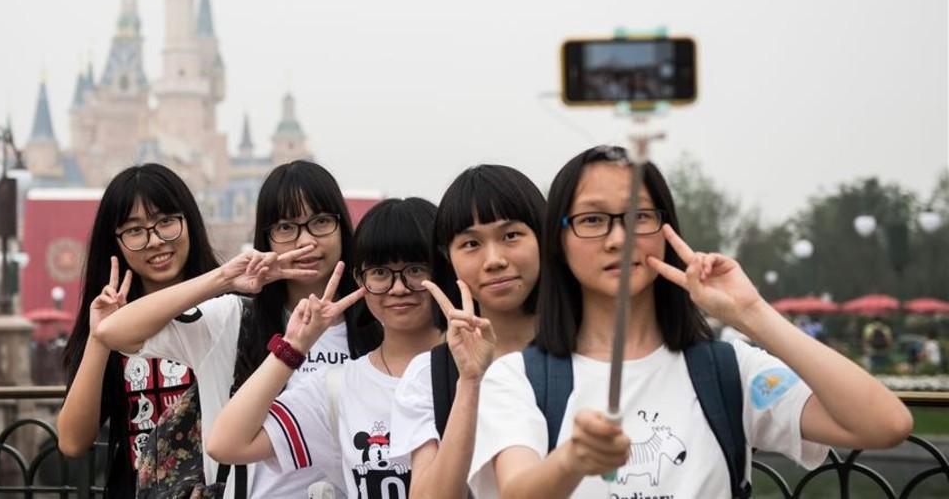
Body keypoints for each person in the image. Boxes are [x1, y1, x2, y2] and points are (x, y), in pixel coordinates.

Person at [471, 145, 913, 498]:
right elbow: (517, 491)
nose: (618, 239)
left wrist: (752, 313)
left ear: (667, 229)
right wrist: (573, 460)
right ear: (560, 241)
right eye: (592, 220)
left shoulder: (728, 370)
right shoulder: (519, 378)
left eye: (638, 216)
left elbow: (885, 424)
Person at [96, 160, 379, 498]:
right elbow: (113, 331)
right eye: (286, 228)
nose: (305, 241)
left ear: (341, 228)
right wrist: (225, 278)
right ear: (266, 238)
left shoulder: (375, 324)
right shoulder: (234, 320)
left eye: (320, 223)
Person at [207, 198, 481, 499]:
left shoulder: (480, 367)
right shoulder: (338, 388)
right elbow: (226, 443)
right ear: (359, 280)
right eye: (380, 273)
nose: (399, 287)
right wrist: (295, 346)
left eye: (416, 269)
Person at [57, 164, 222, 498]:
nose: (156, 241)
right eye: (135, 230)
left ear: (188, 220)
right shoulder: (111, 319)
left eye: (166, 222)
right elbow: (73, 442)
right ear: (115, 241)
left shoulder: (229, 306)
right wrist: (100, 336)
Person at [388, 164, 546, 498]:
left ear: (543, 238)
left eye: (511, 236)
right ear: (448, 258)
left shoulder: (593, 350)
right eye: (471, 244)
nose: (494, 260)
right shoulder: (430, 376)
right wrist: (469, 383)